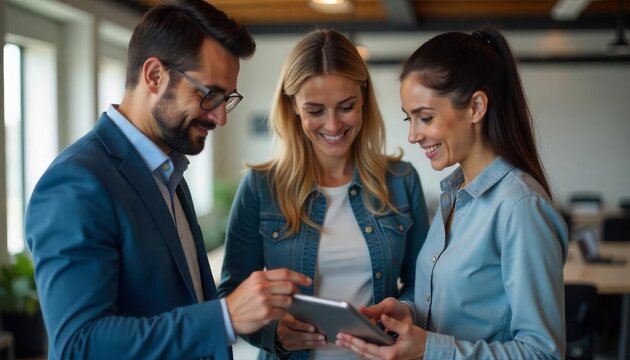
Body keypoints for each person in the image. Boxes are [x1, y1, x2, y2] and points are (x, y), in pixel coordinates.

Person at [24, 1, 311, 359]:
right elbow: (79, 345)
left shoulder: (169, 170)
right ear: (155, 75)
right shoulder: (76, 183)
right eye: (209, 95)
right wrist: (226, 316)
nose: (221, 117)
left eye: (227, 99)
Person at [336, 27, 569, 359]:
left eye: (425, 118)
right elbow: (458, 310)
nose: (414, 135)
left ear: (475, 107)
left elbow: (542, 353)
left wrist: (430, 349)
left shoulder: (519, 207)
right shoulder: (454, 196)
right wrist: (409, 313)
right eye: (409, 119)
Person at [218, 29, 430, 360]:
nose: (332, 126)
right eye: (315, 110)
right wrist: (274, 333)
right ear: (293, 108)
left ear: (364, 98)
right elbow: (231, 296)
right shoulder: (261, 187)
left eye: (346, 107)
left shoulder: (401, 181)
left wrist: (402, 309)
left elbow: (424, 287)